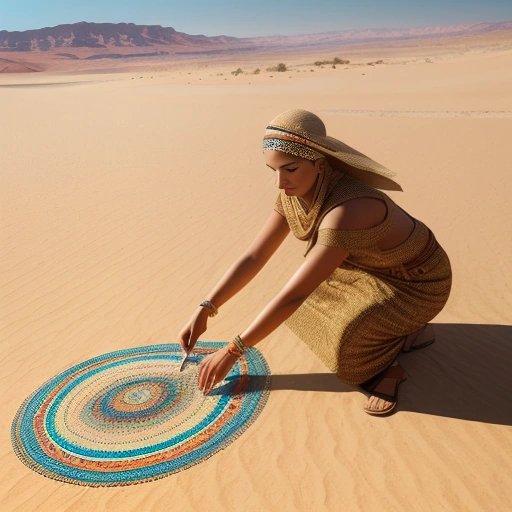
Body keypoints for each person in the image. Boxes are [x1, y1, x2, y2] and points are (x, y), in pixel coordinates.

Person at [178, 109, 452, 416]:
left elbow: (294, 294)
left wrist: (232, 351)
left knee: (346, 353)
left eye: (291, 169)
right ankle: (406, 333)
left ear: (319, 164)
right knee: (299, 316)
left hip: (417, 283)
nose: (281, 183)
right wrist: (206, 307)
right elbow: (254, 256)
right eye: (274, 171)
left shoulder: (348, 210)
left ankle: (387, 369)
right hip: (363, 269)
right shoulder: (294, 193)